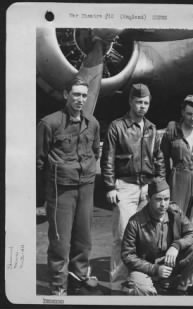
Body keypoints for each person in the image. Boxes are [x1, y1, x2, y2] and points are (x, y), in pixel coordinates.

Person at [36, 77, 102, 296]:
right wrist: (40, 198)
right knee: (60, 242)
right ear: (66, 95)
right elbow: (39, 161)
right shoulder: (49, 123)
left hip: (86, 186)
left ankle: (78, 278)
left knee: (83, 239)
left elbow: (95, 151)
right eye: (76, 94)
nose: (80, 99)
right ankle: (58, 286)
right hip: (60, 188)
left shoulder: (92, 123)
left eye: (84, 95)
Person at [101, 83, 165, 292]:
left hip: (146, 188)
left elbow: (159, 159)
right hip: (125, 186)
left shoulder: (151, 128)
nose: (142, 106)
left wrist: (160, 185)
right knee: (122, 236)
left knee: (145, 237)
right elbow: (107, 158)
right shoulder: (117, 126)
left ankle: (141, 279)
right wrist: (110, 186)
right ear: (130, 102)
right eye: (138, 102)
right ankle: (118, 282)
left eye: (146, 103)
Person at [120, 178, 193, 295]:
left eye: (166, 199)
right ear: (149, 199)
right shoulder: (135, 222)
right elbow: (127, 255)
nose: (163, 204)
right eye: (158, 199)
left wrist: (176, 246)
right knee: (140, 287)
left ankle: (181, 290)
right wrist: (154, 269)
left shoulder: (175, 212)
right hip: (146, 270)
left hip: (170, 264)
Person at [161, 95, 193, 216]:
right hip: (179, 178)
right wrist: (166, 182)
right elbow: (163, 159)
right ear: (182, 113)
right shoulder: (171, 132)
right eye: (189, 114)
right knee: (177, 215)